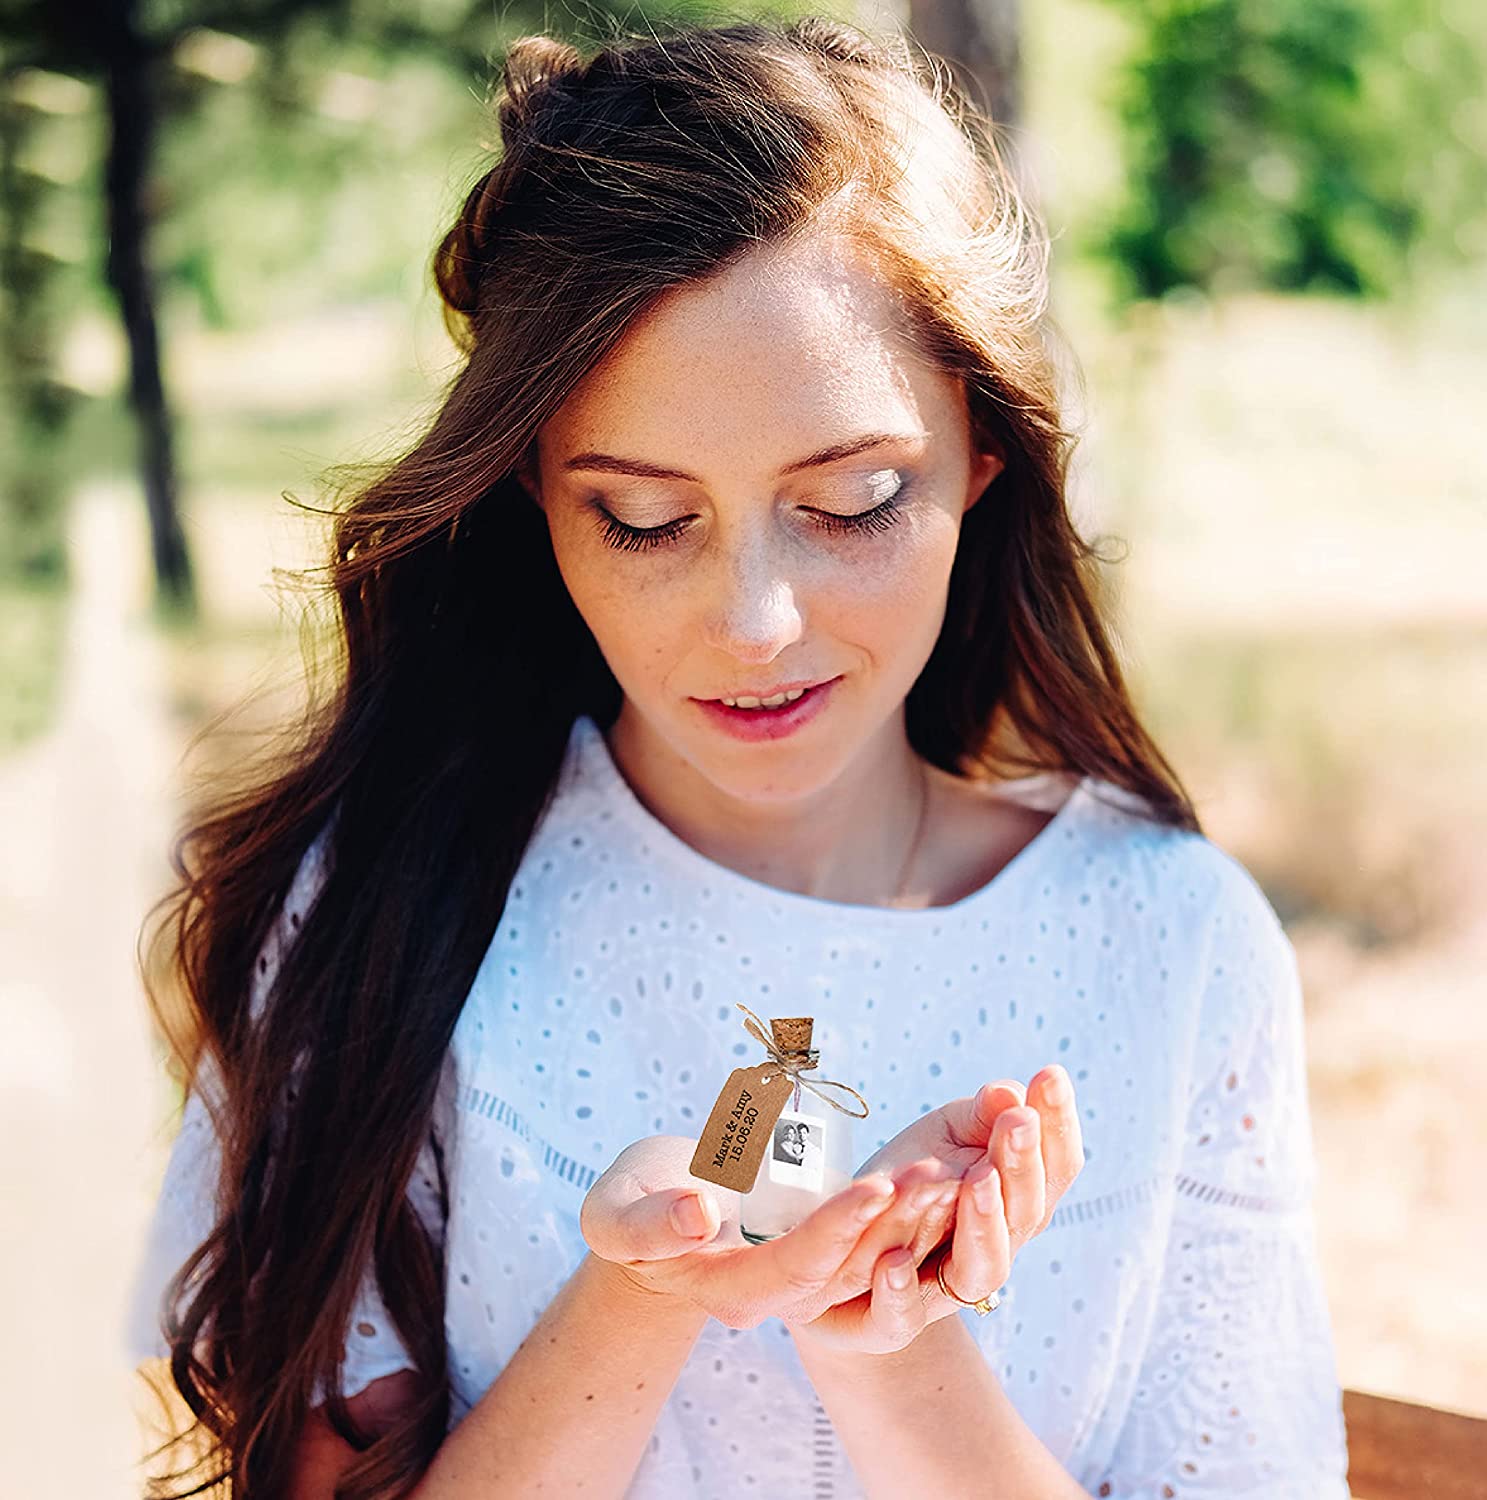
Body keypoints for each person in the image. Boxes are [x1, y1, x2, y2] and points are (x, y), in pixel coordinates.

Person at [123, 16, 1352, 1500]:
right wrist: (643, 1291)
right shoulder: (381, 910)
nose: (756, 625)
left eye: (851, 501)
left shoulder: (1178, 944)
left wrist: (889, 1348)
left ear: (981, 452)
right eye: (645, 520)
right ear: (536, 497)